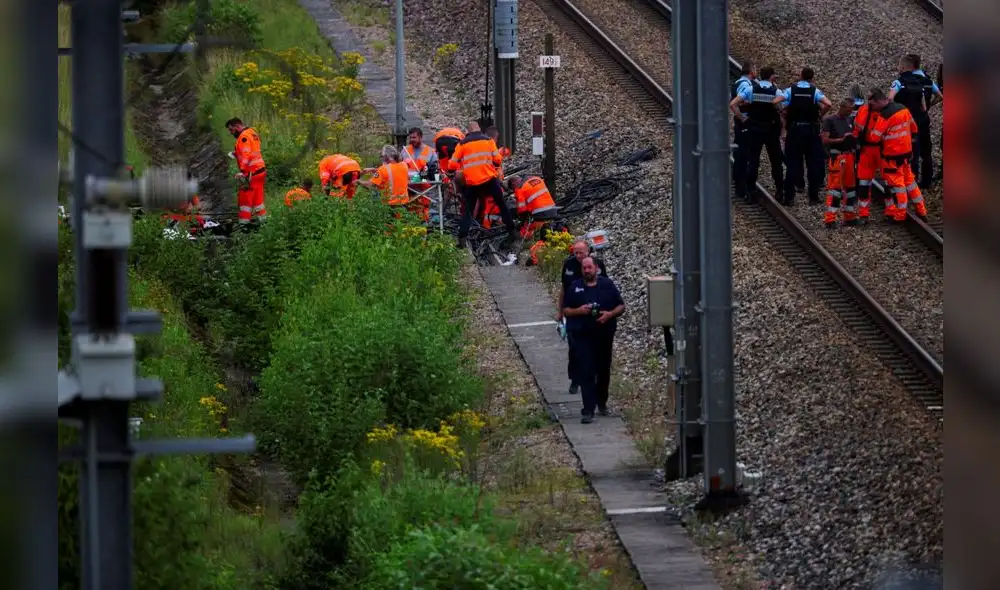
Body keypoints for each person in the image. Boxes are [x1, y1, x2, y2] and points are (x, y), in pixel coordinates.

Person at [562, 257, 625, 424]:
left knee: (603, 370)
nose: (587, 271)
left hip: (604, 335)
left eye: (589, 267)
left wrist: (609, 314)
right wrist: (580, 311)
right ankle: (587, 409)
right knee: (586, 371)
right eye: (584, 268)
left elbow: (621, 306)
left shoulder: (607, 284)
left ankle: (602, 402)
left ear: (596, 268)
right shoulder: (575, 287)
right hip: (583, 335)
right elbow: (566, 310)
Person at [447, 121, 518, 249]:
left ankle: (462, 239)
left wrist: (452, 172)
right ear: (479, 128)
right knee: (501, 204)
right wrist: (494, 165)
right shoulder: (488, 140)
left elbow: (452, 164)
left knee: (468, 211)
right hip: (489, 179)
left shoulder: (462, 144)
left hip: (472, 183)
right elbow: (497, 159)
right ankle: (512, 231)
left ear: (468, 131)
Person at [773, 67, 833, 205]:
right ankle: (813, 196)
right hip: (811, 131)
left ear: (801, 76)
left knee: (792, 163)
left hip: (795, 130)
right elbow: (829, 104)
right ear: (812, 78)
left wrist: (783, 112)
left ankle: (789, 197)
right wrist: (820, 115)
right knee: (813, 164)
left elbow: (775, 101)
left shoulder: (791, 90)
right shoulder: (814, 91)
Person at [867, 88, 928, 221]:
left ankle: (900, 215)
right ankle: (921, 211)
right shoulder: (902, 109)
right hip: (906, 154)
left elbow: (874, 138)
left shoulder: (885, 116)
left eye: (872, 104)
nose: (871, 107)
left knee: (898, 186)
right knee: (910, 182)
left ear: (878, 101)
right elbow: (914, 128)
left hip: (892, 157)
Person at [558, 240, 608, 396]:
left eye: (581, 252)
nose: (578, 255)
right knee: (574, 348)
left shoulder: (597, 265)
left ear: (588, 251)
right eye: (576, 253)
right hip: (573, 312)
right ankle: (575, 379)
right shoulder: (569, 265)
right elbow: (563, 289)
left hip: (593, 313)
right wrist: (560, 311)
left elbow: (605, 287)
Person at [729, 65, 783, 203]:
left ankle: (750, 191)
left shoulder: (751, 89)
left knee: (753, 161)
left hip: (755, 129)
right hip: (770, 130)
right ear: (771, 77)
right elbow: (782, 108)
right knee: (775, 161)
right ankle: (779, 190)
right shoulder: (776, 91)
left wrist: (743, 118)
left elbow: (733, 104)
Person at [889, 54, 943, 189]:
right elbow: (940, 96)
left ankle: (912, 182)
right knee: (926, 150)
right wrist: (928, 106)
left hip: (908, 120)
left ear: (905, 67)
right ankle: (927, 180)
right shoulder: (928, 81)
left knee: (912, 150)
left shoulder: (901, 81)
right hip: (924, 118)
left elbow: (890, 99)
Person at [820, 99, 859, 228]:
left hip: (849, 156)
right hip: (837, 157)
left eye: (851, 111)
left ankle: (849, 216)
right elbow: (825, 140)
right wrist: (842, 139)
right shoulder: (829, 120)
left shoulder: (850, 119)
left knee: (851, 188)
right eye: (848, 110)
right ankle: (830, 219)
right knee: (835, 189)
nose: (849, 113)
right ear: (841, 107)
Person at [226, 117, 267, 224]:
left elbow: (246, 154)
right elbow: (252, 150)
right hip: (260, 171)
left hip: (251, 173)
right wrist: (236, 153)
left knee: (245, 202)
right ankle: (263, 222)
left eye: (231, 130)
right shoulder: (252, 132)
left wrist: (243, 172)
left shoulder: (243, 136)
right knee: (258, 200)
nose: (231, 133)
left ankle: (244, 226)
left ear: (237, 126)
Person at [731, 60, 756, 197]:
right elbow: (738, 102)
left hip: (741, 123)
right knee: (743, 154)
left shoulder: (739, 82)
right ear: (751, 71)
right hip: (744, 123)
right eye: (755, 69)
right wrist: (743, 118)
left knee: (741, 153)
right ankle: (742, 187)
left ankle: (740, 183)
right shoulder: (745, 84)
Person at [362, 145, 410, 210]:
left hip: (390, 205)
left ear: (386, 156)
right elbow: (393, 171)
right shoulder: (404, 165)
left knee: (374, 194)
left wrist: (357, 181)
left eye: (382, 156)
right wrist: (375, 170)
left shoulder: (383, 169)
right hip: (404, 203)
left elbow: (369, 185)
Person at [509, 175, 558, 239]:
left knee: (526, 229)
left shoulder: (519, 189)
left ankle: (522, 238)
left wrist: (521, 222)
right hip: (553, 210)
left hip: (540, 214)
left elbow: (522, 210)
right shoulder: (537, 178)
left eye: (513, 188)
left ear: (513, 183)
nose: (514, 190)